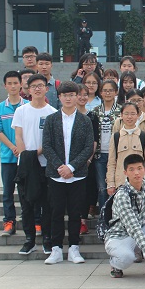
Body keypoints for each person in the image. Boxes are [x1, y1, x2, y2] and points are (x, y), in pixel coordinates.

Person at [42, 81, 94, 264]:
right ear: (59, 97)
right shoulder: (51, 119)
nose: (69, 98)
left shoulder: (85, 120)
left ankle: (74, 248)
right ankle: (56, 249)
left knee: (75, 212)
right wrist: (60, 166)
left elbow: (88, 147)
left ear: (77, 96)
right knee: (56, 212)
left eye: (72, 95)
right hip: (56, 175)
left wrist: (71, 167)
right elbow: (47, 146)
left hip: (77, 175)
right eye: (65, 95)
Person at [12, 74, 57, 255]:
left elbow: (51, 141)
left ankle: (47, 239)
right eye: (34, 86)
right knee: (27, 206)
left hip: (45, 165)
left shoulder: (53, 112)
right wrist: (27, 156)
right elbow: (18, 136)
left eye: (41, 85)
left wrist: (37, 153)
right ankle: (29, 239)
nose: (37, 89)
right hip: (25, 166)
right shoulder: (21, 111)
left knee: (47, 205)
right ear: (28, 90)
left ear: (47, 88)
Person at [0, 71, 28, 237]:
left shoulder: (27, 106)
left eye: (15, 83)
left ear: (21, 84)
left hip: (25, 157)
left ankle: (32, 221)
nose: (13, 86)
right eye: (10, 83)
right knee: (8, 191)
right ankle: (9, 221)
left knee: (26, 192)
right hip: (8, 157)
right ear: (5, 86)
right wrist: (13, 146)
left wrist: (21, 148)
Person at [106, 101, 145, 197]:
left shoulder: (144, 136)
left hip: (140, 183)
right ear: (121, 115)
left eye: (133, 114)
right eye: (126, 114)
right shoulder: (116, 137)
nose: (129, 117)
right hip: (121, 183)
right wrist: (110, 183)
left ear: (138, 115)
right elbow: (111, 162)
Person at [91, 79, 121, 210]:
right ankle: (104, 217)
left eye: (110, 90)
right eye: (105, 90)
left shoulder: (121, 110)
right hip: (100, 154)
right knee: (102, 188)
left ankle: (116, 215)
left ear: (116, 92)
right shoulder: (95, 111)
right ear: (101, 93)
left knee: (117, 187)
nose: (107, 93)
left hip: (117, 154)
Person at [75, 83, 100, 234]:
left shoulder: (92, 116)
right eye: (79, 94)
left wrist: (88, 159)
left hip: (87, 161)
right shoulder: (67, 115)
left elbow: (94, 140)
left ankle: (83, 221)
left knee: (85, 191)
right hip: (70, 161)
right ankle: (75, 220)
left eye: (85, 94)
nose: (83, 97)